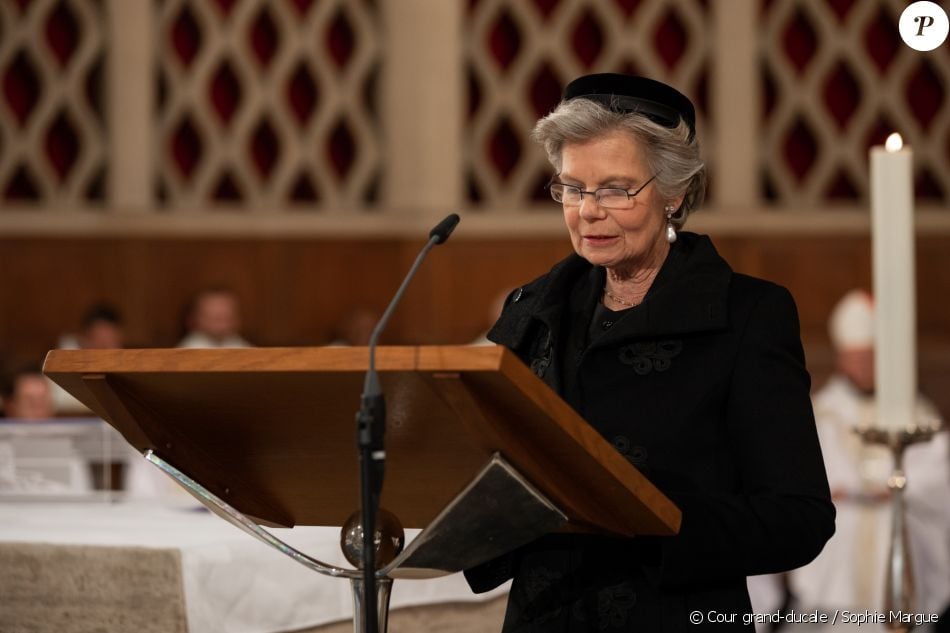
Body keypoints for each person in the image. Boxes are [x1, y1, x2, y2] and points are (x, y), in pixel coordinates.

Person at [463, 74, 835, 631]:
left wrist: (647, 514)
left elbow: (797, 517)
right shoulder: (531, 312)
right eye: (572, 187)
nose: (588, 211)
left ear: (675, 192)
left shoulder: (746, 314)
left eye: (615, 189)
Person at [788, 290, 950, 631]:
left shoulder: (915, 413)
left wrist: (875, 489)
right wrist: (877, 486)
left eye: (871, 356)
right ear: (841, 357)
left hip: (898, 529)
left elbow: (936, 480)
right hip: (836, 563)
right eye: (856, 357)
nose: (863, 366)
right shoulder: (820, 413)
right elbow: (806, 479)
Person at [177, 287, 252, 348]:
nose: (220, 325)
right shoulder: (185, 350)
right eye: (213, 317)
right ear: (193, 320)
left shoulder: (246, 349)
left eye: (226, 317)